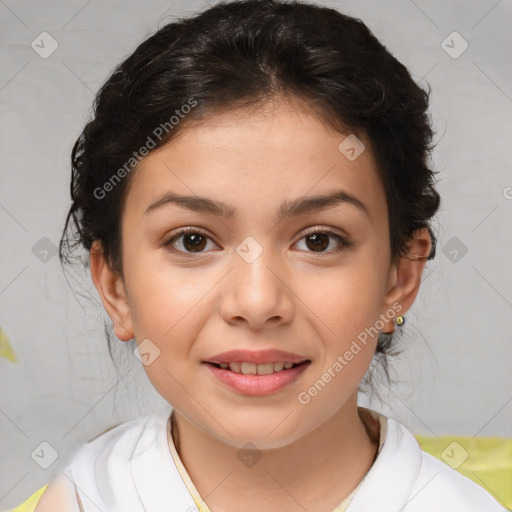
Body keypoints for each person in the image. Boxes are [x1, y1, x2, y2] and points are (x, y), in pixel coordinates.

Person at [32, 0, 505, 510]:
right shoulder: (81, 499)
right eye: (193, 240)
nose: (257, 303)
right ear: (115, 286)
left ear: (400, 278)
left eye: (318, 240)